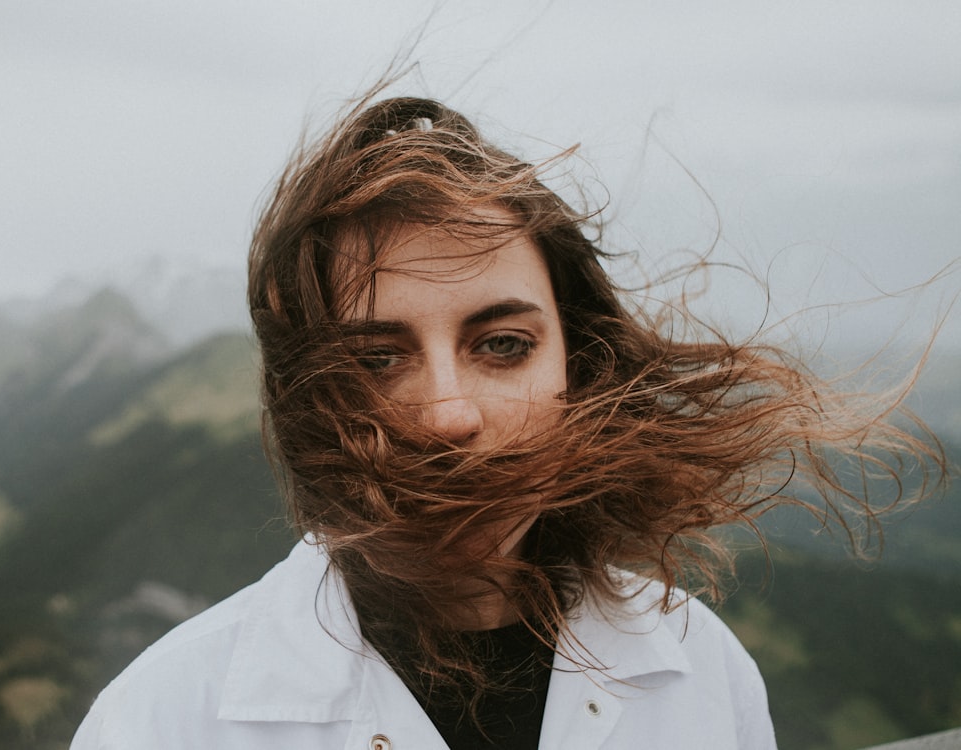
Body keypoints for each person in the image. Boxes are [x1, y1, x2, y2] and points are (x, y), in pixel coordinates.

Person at [71, 93, 941, 749]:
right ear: (308, 400)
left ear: (578, 365)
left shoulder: (702, 674)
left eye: (503, 345)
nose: (449, 414)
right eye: (375, 359)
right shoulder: (159, 721)